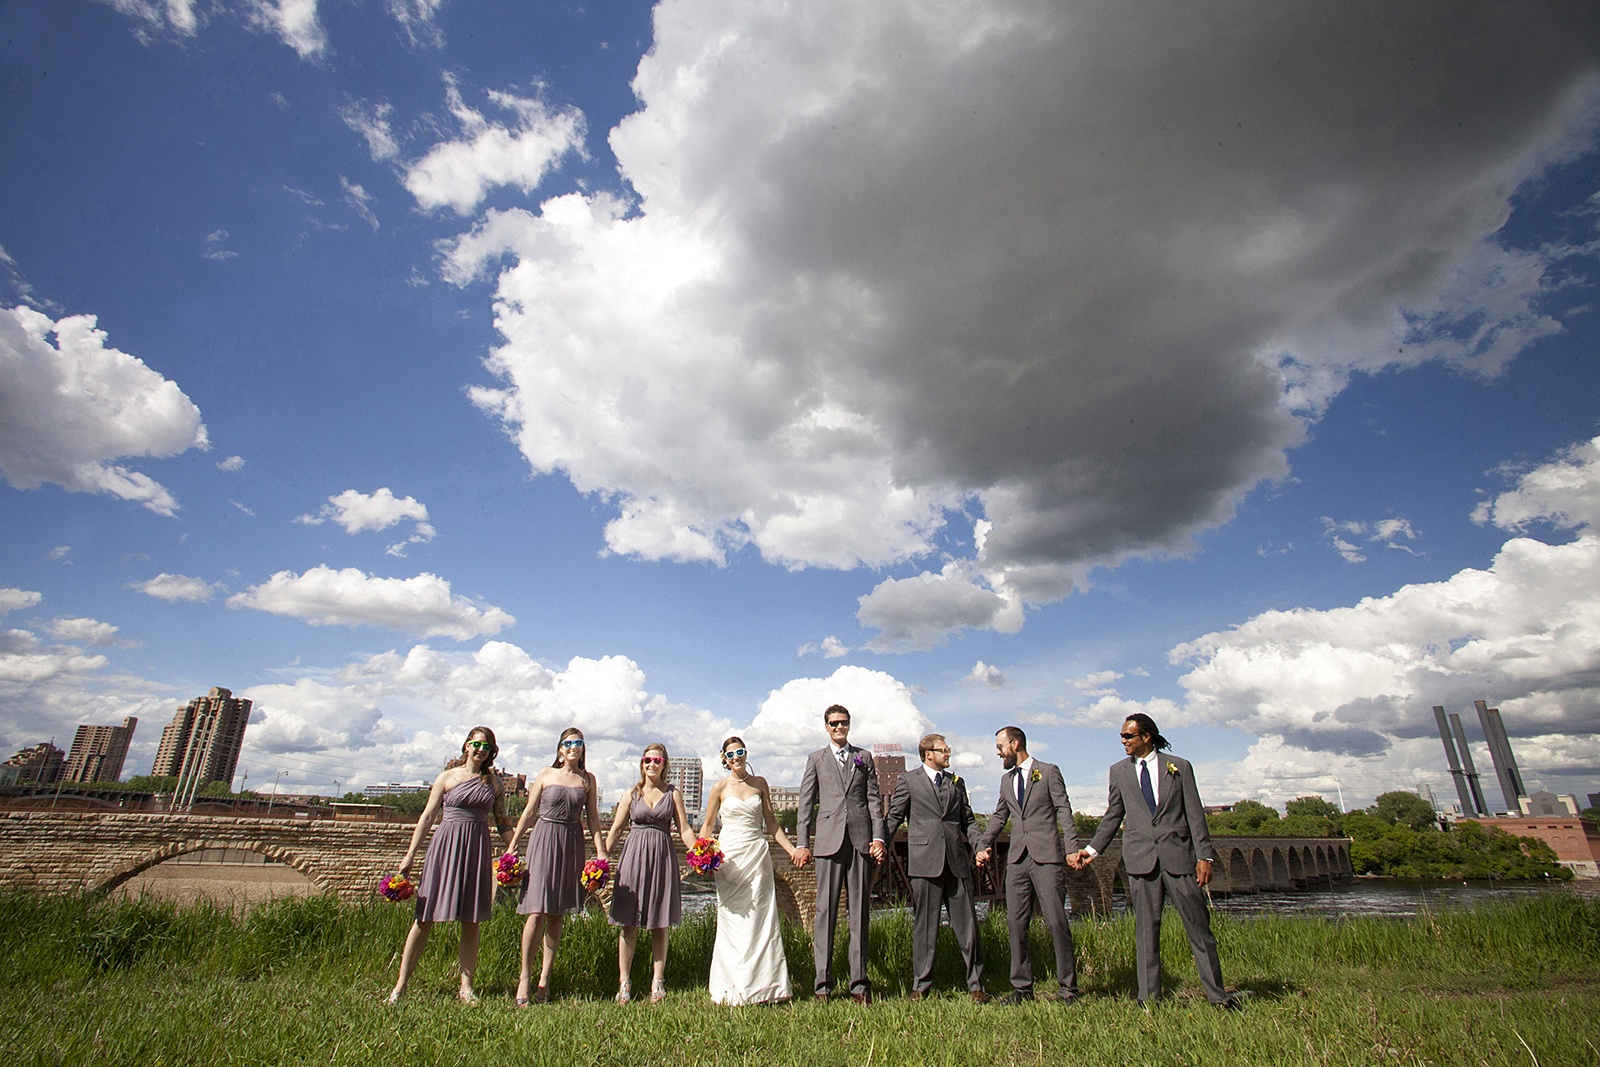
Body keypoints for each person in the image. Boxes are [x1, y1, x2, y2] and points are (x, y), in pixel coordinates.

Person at [1070, 714, 1235, 1008]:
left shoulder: (1179, 767)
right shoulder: (1118, 772)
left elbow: (1195, 815)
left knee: (1199, 930)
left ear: (1146, 737)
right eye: (1122, 736)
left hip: (1179, 859)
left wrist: (1204, 856)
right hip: (1141, 861)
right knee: (1146, 933)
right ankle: (1149, 999)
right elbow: (1113, 816)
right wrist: (1092, 850)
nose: (1123, 741)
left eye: (1128, 736)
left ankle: (1218, 996)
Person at [388, 726, 513, 1004]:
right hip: (445, 846)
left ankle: (466, 987)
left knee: (471, 920)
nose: (480, 749)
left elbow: (503, 822)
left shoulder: (494, 784)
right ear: (466, 746)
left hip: (477, 849)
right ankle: (401, 985)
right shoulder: (446, 777)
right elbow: (427, 816)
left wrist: (514, 852)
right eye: (476, 744)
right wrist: (410, 855)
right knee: (425, 916)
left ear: (492, 752)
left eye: (487, 746)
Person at [973, 725, 1080, 1004]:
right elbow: (999, 817)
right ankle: (1022, 988)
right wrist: (983, 843)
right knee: (1016, 923)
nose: (998, 752)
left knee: (1057, 921)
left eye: (1000, 747)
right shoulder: (1006, 780)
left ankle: (1068, 988)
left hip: (1047, 858)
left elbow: (1063, 810)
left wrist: (1072, 848)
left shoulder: (1049, 771)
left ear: (1016, 744)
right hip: (1018, 860)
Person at [792, 704, 887, 1003]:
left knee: (859, 913)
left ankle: (860, 985)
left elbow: (874, 800)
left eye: (843, 723)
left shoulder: (864, 757)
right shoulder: (816, 759)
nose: (838, 728)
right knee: (825, 913)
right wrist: (803, 842)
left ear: (849, 725)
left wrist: (878, 838)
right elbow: (805, 804)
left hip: (860, 842)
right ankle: (823, 985)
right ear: (826, 726)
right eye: (833, 723)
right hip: (828, 843)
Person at [882, 733, 988, 1002]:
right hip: (924, 861)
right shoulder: (908, 780)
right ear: (928, 754)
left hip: (956, 862)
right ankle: (921, 985)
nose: (948, 754)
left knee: (968, 927)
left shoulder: (956, 782)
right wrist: (879, 841)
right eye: (944, 750)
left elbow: (968, 820)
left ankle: (976, 985)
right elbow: (894, 816)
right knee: (924, 927)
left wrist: (978, 845)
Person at [508, 726, 606, 1004]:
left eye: (578, 742)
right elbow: (528, 812)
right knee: (536, 911)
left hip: (571, 841)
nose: (573, 747)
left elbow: (594, 819)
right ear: (560, 748)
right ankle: (524, 979)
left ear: (583, 748)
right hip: (544, 838)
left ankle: (545, 980)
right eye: (568, 743)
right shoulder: (545, 774)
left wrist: (600, 850)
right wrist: (514, 844)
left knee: (557, 913)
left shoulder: (588, 779)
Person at [701, 736, 798, 1005]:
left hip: (757, 855)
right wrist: (703, 855)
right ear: (724, 758)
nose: (736, 758)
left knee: (761, 919)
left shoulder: (760, 784)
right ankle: (730, 987)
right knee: (733, 920)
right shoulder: (719, 787)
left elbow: (772, 824)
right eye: (730, 754)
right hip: (730, 859)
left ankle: (768, 988)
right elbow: (707, 828)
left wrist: (792, 851)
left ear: (746, 753)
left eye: (740, 752)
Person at [604, 742, 698, 1004]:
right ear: (642, 763)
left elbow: (685, 829)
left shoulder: (672, 793)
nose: (652, 765)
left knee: (660, 921)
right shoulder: (631, 795)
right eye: (648, 760)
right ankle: (624, 982)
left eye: (657, 761)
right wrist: (601, 859)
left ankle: (658, 980)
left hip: (662, 858)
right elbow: (616, 830)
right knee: (628, 921)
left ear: (665, 764)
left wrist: (701, 851)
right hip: (633, 858)